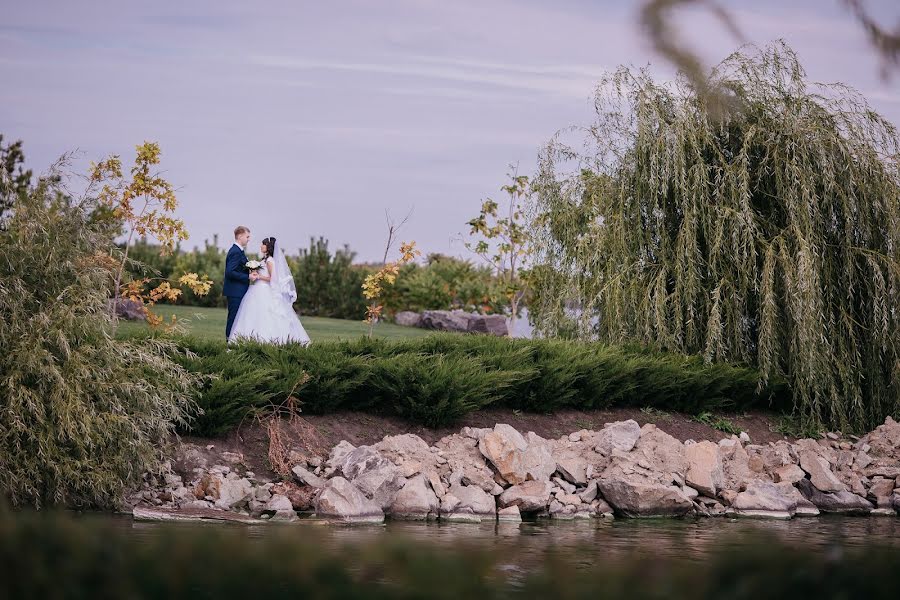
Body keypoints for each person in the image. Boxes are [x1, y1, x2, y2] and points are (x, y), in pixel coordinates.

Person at [228, 236, 311, 345]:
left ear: (268, 247)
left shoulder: (270, 261)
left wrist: (258, 277)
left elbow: (273, 279)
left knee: (265, 316)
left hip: (264, 290)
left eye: (263, 244)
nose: (261, 246)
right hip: (257, 289)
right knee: (253, 315)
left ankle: (265, 340)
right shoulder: (264, 260)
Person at [223, 225, 257, 340]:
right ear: (240, 236)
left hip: (238, 291)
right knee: (233, 317)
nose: (249, 239)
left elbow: (238, 269)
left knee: (237, 318)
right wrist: (247, 276)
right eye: (247, 236)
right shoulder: (235, 252)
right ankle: (229, 342)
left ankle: (234, 341)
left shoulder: (239, 251)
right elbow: (230, 272)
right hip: (235, 292)